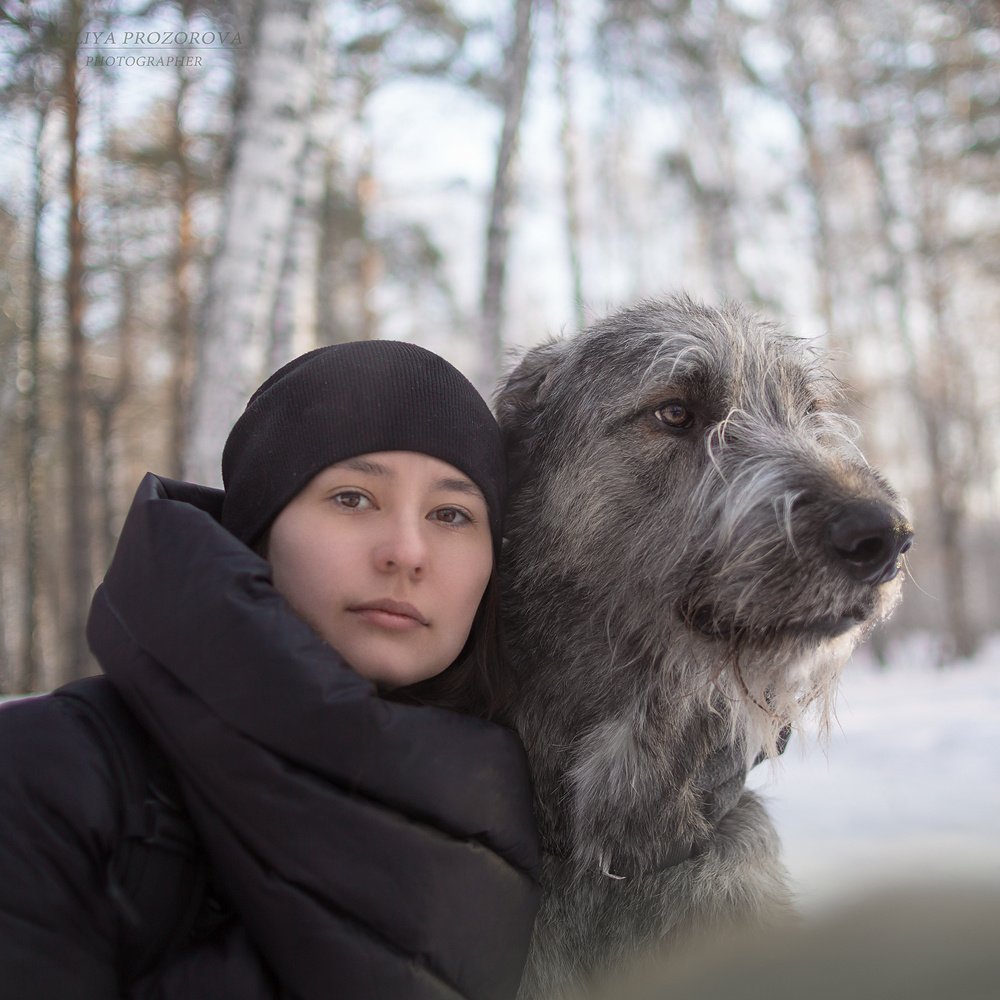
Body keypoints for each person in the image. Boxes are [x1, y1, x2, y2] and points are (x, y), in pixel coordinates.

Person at [0, 340, 542, 1000]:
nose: (407, 551)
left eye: (451, 514)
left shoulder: (543, 827)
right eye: (352, 498)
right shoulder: (46, 769)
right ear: (257, 530)